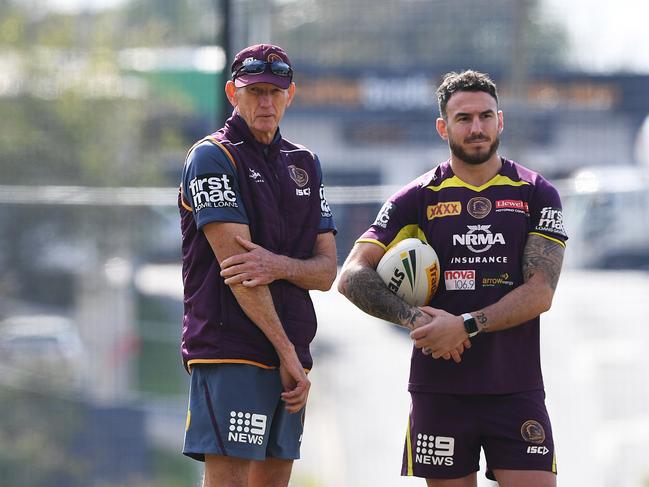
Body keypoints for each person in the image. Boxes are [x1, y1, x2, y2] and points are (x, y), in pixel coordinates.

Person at [338, 70, 567, 487]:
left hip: (514, 386)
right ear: (443, 126)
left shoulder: (535, 192)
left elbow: (541, 292)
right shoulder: (416, 198)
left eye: (485, 116)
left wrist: (465, 325)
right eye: (463, 118)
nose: (476, 127)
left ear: (501, 120)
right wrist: (416, 321)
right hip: (440, 389)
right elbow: (351, 275)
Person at [178, 43, 337, 487]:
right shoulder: (212, 157)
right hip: (232, 350)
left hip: (292, 356)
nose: (266, 102)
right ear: (232, 92)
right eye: (255, 91)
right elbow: (242, 272)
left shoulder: (305, 163)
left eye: (275, 91)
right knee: (228, 481)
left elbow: (326, 272)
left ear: (291, 95)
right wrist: (287, 353)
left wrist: (278, 265)